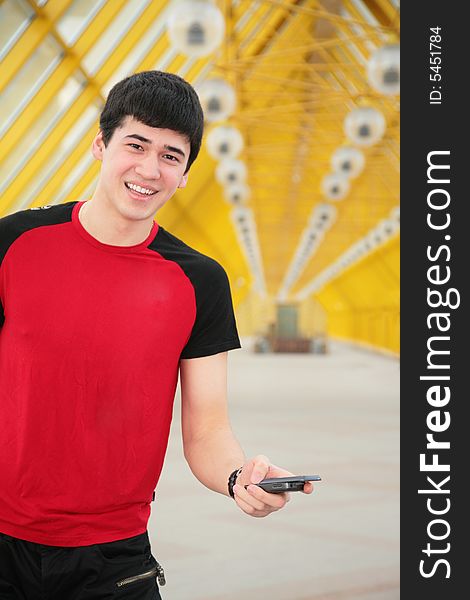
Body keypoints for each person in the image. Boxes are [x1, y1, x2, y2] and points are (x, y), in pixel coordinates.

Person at [0, 70, 314, 599]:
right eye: (136, 144)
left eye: (171, 155)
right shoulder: (14, 244)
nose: (149, 169)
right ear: (101, 145)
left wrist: (241, 477)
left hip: (114, 559)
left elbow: (207, 429)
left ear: (186, 173)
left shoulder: (199, 281)